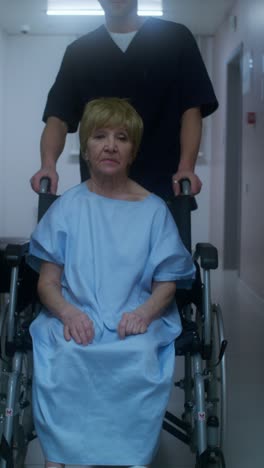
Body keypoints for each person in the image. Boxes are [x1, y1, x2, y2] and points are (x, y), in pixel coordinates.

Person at [28, 97, 195, 468]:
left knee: (137, 354)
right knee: (67, 352)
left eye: (122, 138)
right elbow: (47, 284)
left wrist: (145, 313)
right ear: (85, 147)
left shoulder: (154, 211)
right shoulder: (67, 208)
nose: (110, 145)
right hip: (75, 312)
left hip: (135, 315)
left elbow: (167, 283)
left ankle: (126, 457)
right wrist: (69, 313)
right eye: (99, 136)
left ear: (132, 151)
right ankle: (61, 457)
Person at [30, 0, 218, 199]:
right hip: (101, 189)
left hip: (162, 187)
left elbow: (191, 109)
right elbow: (58, 117)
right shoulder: (79, 52)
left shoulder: (176, 39)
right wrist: (48, 166)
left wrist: (187, 167)